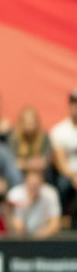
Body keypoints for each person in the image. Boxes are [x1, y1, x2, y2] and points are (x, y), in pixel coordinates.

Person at [6, 169, 63, 239]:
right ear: (25, 182)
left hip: (44, 239)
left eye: (36, 185)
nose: (33, 188)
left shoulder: (50, 193)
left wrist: (39, 236)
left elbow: (55, 223)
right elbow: (16, 225)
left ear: (41, 183)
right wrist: (27, 204)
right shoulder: (15, 194)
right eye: (31, 184)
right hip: (20, 240)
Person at [50, 89, 77, 225]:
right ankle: (62, 218)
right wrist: (73, 176)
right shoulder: (59, 131)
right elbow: (60, 163)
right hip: (67, 174)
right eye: (74, 103)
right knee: (62, 183)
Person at [8, 105, 51, 176]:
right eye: (27, 122)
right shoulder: (14, 138)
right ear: (21, 122)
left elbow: (44, 161)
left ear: (37, 122)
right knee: (14, 172)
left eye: (32, 122)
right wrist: (31, 163)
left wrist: (25, 164)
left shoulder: (44, 137)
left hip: (40, 174)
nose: (29, 125)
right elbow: (13, 162)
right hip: (21, 174)